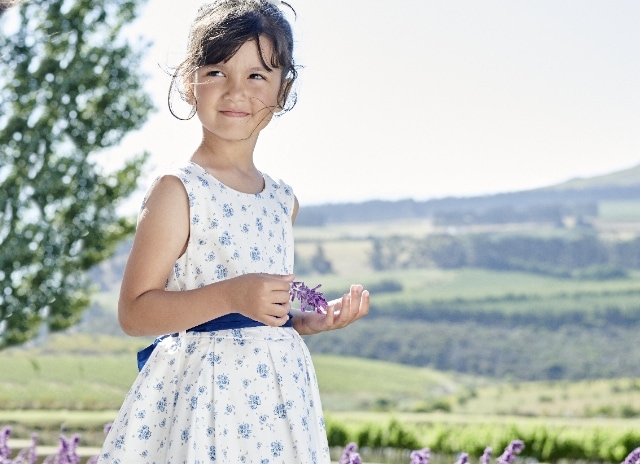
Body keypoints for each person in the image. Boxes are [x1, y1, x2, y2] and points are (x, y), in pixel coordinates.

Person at [97, 1, 369, 462]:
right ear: (190, 83)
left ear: (283, 91)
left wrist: (303, 322)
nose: (236, 91)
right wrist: (231, 295)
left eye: (257, 76)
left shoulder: (283, 200)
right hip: (202, 404)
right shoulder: (178, 191)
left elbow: (254, 316)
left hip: (278, 405)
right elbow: (135, 313)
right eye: (217, 71)